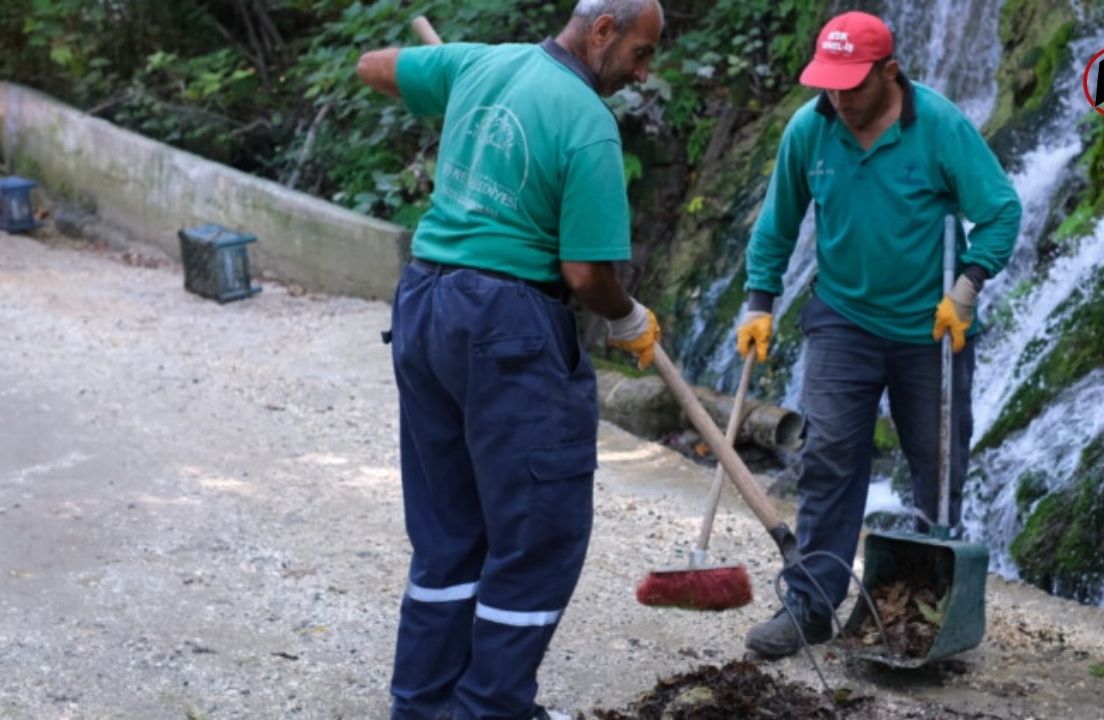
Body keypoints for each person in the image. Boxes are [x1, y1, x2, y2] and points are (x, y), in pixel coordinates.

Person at [355, 1, 664, 717]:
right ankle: (490, 709)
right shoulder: (587, 124)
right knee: (537, 537)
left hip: (426, 305)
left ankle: (424, 705)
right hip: (507, 326)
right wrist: (628, 319)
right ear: (602, 31)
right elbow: (587, 273)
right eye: (641, 53)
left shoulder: (480, 64)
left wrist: (458, 96)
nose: (644, 72)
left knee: (449, 532)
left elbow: (373, 68)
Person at [735, 11, 1021, 658]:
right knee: (830, 457)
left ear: (890, 71)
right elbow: (777, 224)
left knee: (938, 463)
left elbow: (1000, 211)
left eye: (852, 85)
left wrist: (967, 287)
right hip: (842, 318)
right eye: (828, 84)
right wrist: (759, 302)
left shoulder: (941, 128)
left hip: (931, 325)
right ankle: (809, 606)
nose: (838, 97)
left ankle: (927, 607)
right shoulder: (811, 131)